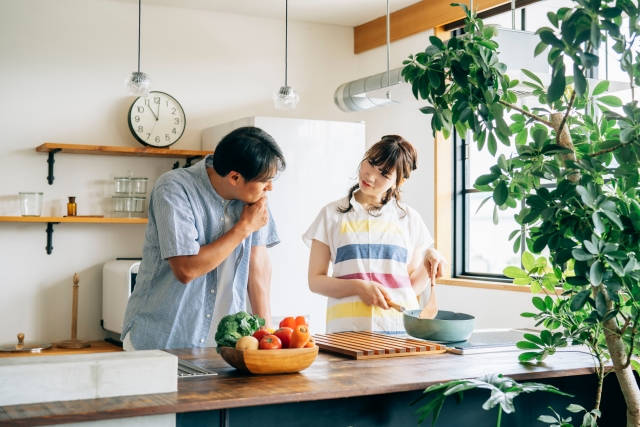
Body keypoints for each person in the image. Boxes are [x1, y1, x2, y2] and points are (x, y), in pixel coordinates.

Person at [121, 126, 285, 350]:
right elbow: (186, 270)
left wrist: (268, 336)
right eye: (265, 180)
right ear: (234, 177)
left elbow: (258, 267)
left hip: (226, 343)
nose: (270, 187)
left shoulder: (255, 195)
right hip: (164, 337)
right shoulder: (174, 187)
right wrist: (244, 227)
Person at [303, 135, 447, 334]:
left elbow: (410, 286)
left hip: (397, 332)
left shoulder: (409, 219)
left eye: (384, 174)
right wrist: (357, 286)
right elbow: (315, 281)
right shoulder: (331, 214)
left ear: (399, 181)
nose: (370, 176)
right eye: (371, 163)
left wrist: (431, 259)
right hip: (347, 332)